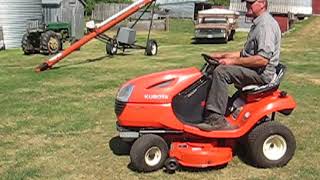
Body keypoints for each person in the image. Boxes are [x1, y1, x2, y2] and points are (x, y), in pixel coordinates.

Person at [196, 0, 281, 131]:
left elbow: (262, 60)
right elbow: (244, 54)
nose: (247, 5)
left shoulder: (265, 25)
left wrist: (231, 62)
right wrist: (222, 56)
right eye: (246, 2)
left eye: (250, 3)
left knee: (221, 72)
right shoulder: (259, 23)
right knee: (216, 68)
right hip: (255, 70)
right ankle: (222, 107)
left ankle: (216, 119)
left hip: (261, 74)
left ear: (262, 3)